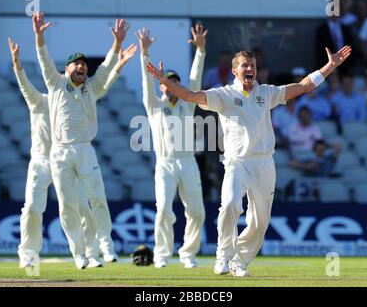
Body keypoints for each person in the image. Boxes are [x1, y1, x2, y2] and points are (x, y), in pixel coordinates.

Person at [146, 45, 352, 277]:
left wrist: (330, 66)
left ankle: (239, 261)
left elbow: (304, 86)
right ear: (235, 71)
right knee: (231, 205)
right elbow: (191, 96)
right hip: (236, 162)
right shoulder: (223, 95)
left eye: (252, 65)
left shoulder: (266, 92)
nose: (249, 68)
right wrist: (165, 80)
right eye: (244, 65)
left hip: (264, 163)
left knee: (260, 221)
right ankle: (223, 257)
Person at [33, 12, 137, 267]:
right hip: (59, 153)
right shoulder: (55, 83)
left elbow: (105, 67)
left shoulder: (92, 86)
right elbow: (44, 61)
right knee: (68, 206)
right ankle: (79, 253)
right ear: (66, 69)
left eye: (83, 64)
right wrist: (39, 37)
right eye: (75, 64)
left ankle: (106, 245)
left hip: (85, 151)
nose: (81, 67)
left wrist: (117, 44)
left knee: (97, 198)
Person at [8, 37, 105, 269]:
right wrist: (17, 63)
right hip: (42, 161)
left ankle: (93, 254)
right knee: (32, 207)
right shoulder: (38, 101)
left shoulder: (75, 96)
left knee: (83, 207)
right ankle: (29, 254)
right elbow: (24, 83)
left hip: (68, 162)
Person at [137, 25, 206, 269]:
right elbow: (146, 82)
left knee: (197, 212)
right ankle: (163, 255)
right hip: (165, 164)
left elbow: (195, 78)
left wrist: (200, 51)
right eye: (169, 82)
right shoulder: (154, 105)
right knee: (164, 209)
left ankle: (188, 255)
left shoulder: (188, 104)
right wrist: (144, 53)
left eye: (177, 83)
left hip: (188, 162)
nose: (174, 86)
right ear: (163, 86)